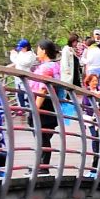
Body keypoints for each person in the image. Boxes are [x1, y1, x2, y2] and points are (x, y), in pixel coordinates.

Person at [31, 41, 62, 173]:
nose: (37, 52)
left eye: (38, 49)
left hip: (43, 103)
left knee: (42, 137)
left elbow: (43, 89)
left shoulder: (46, 68)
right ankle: (41, 166)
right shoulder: (55, 65)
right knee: (44, 137)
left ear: (44, 51)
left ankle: (43, 167)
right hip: (51, 104)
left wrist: (35, 108)